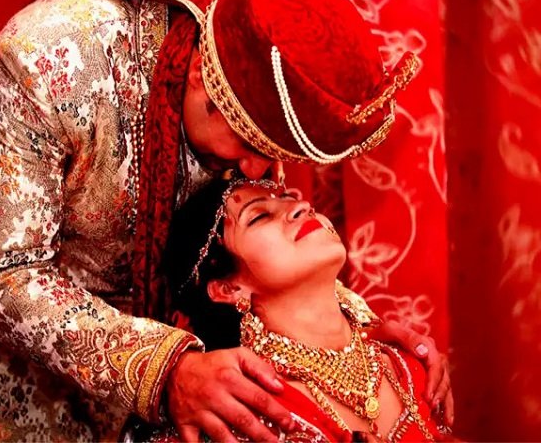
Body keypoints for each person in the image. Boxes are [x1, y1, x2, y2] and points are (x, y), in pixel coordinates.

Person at [0, 0, 451, 441]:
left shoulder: (254, 74)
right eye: (251, 145)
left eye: (273, 155)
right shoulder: (48, 61)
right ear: (198, 78)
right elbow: (3, 276)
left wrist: (351, 339)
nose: (257, 173)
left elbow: (270, 242)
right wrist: (167, 371)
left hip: (176, 359)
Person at [160, 177, 453, 442]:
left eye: (290, 198)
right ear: (228, 288)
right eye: (259, 216)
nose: (302, 206)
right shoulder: (238, 407)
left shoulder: (410, 369)